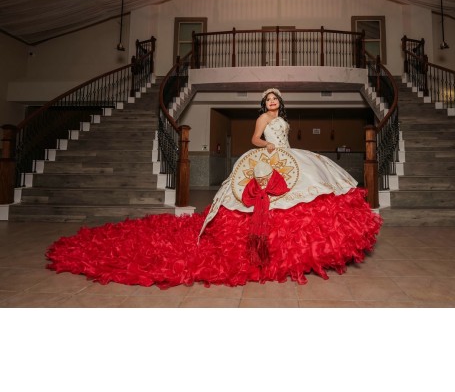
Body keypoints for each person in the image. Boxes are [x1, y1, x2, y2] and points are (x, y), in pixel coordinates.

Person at [46, 88, 382, 287]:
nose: (271, 103)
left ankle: (309, 249)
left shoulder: (283, 118)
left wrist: (284, 151)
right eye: (267, 100)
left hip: (290, 157)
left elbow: (286, 140)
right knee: (261, 196)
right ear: (263, 106)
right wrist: (265, 147)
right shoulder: (264, 121)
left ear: (280, 102)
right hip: (270, 157)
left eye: (275, 99)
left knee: (316, 188)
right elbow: (253, 139)